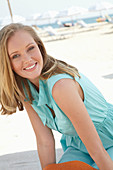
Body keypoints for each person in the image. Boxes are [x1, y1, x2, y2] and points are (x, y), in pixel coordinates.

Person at [0, 23, 113, 170]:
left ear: (40, 47)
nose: (27, 59)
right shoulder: (25, 89)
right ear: (7, 63)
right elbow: (44, 141)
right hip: (79, 146)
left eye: (30, 48)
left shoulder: (61, 86)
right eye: (15, 56)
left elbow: (97, 149)